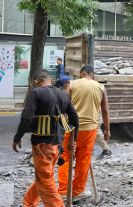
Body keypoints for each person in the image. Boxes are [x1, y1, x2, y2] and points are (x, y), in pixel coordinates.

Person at [12, 69, 79, 207]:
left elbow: (27, 118)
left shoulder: (36, 93)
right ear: (51, 80)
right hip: (56, 146)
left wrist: (17, 138)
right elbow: (74, 119)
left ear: (36, 82)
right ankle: (29, 202)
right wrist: (73, 140)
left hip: (42, 145)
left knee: (46, 180)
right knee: (43, 177)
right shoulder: (63, 95)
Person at [58, 65, 111, 201]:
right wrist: (107, 130)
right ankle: (77, 192)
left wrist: (61, 128)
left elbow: (63, 107)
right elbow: (105, 111)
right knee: (83, 159)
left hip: (70, 127)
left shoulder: (72, 84)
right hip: (89, 129)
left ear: (82, 74)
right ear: (92, 75)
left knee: (65, 157)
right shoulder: (100, 87)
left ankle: (63, 191)